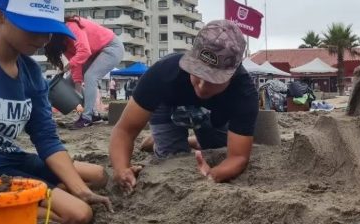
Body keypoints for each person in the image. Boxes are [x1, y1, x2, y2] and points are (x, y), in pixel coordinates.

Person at [0, 0, 112, 224]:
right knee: (78, 214)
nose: (44, 38)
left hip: (9, 158)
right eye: (33, 27)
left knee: (97, 176)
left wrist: (81, 190)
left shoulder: (30, 72)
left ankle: (41, 193)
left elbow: (46, 138)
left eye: (49, 29)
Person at [109, 20, 258, 193]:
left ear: (232, 75)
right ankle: (161, 141)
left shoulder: (244, 93)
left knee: (217, 149)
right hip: (169, 106)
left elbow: (238, 156)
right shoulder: (164, 73)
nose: (202, 86)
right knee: (171, 158)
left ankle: (188, 140)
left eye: (212, 79)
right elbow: (124, 130)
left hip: (215, 116)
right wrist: (121, 169)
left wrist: (213, 174)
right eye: (197, 72)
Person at [45, 16, 124, 129]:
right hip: (95, 53)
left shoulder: (71, 26)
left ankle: (87, 118)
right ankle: (94, 115)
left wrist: (66, 67)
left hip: (111, 47)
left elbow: (84, 51)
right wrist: (76, 86)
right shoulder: (64, 44)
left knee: (91, 76)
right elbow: (77, 65)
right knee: (70, 80)